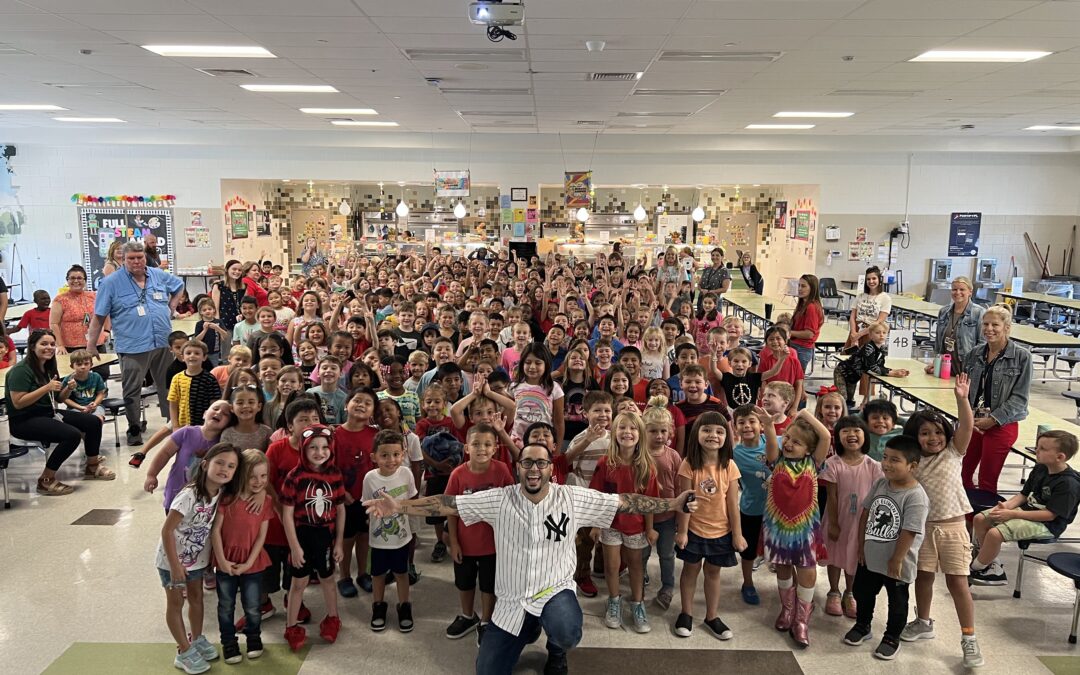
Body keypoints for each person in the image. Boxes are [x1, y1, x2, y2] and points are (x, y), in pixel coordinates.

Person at [364, 442, 698, 675]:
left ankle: (555, 650)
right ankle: (528, 629)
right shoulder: (499, 499)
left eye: (541, 462)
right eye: (527, 462)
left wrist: (672, 504)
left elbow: (624, 501)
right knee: (488, 670)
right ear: (518, 467)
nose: (534, 468)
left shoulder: (572, 497)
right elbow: (447, 504)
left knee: (567, 631)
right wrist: (400, 506)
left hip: (555, 591)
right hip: (510, 601)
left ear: (551, 468)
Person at [899, 375, 984, 668]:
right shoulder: (912, 461)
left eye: (937, 432)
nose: (933, 438)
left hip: (953, 528)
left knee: (958, 583)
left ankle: (969, 638)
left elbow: (967, 426)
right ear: (914, 437)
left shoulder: (953, 451)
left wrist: (962, 398)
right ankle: (923, 622)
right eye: (925, 433)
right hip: (921, 529)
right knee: (923, 577)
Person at [87, 240, 185, 446]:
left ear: (144, 257)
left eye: (139, 257)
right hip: (133, 345)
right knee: (132, 389)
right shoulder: (111, 283)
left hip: (162, 341)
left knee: (168, 385)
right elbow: (98, 316)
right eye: (130, 258)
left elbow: (178, 285)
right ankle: (133, 428)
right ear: (123, 259)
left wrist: (172, 305)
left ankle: (172, 423)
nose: (136, 262)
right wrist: (91, 344)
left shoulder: (158, 275)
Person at [156, 442, 241, 675]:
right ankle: (183, 651)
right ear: (205, 465)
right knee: (175, 604)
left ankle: (197, 639)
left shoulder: (220, 493)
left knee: (197, 599)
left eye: (231, 466)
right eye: (220, 463)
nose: (225, 469)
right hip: (172, 561)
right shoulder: (189, 495)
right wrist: (174, 565)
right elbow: (167, 530)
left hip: (197, 560)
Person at [843, 436, 929, 661]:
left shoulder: (916, 496)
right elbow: (866, 512)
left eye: (895, 460)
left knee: (897, 602)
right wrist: (861, 545)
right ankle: (863, 626)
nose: (887, 464)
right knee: (863, 592)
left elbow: (909, 531)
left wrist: (897, 559)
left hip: (897, 561)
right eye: (885, 458)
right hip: (871, 556)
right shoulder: (881, 483)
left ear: (912, 466)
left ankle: (892, 637)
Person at [5, 329, 112, 494]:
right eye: (44, 344)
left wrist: (68, 389)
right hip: (24, 420)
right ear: (32, 346)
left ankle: (92, 466)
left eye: (52, 344)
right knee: (72, 435)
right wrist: (45, 388)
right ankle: (46, 480)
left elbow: (60, 399)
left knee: (92, 422)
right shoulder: (21, 370)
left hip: (48, 413)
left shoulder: (48, 368)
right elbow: (18, 403)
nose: (49, 347)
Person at [970, 430, 1080, 586]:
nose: (1037, 451)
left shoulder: (1069, 484)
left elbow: (1050, 515)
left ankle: (976, 568)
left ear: (1060, 457)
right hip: (1025, 511)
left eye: (1043, 448)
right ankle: (991, 564)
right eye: (1037, 446)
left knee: (995, 534)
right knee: (980, 519)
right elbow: (1023, 495)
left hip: (1047, 525)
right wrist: (1005, 507)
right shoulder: (1040, 468)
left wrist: (1012, 514)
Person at [763, 410, 832, 648]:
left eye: (797, 442)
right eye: (788, 438)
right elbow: (772, 440)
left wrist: (803, 413)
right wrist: (770, 426)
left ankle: (802, 618)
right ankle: (788, 608)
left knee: (806, 568)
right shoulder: (777, 460)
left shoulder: (814, 463)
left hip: (805, 529)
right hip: (777, 526)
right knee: (782, 567)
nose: (789, 444)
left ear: (809, 450)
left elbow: (825, 436)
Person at [674, 411, 744, 640]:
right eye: (706, 430)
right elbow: (686, 500)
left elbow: (733, 503)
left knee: (713, 573)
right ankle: (686, 613)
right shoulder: (689, 464)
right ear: (696, 434)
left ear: (727, 437)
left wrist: (737, 534)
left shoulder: (730, 466)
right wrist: (682, 531)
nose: (713, 435)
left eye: (719, 431)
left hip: (721, 531)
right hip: (694, 530)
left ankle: (712, 616)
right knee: (690, 571)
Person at [445, 423, 515, 642]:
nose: (481, 449)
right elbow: (450, 509)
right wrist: (454, 542)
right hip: (465, 544)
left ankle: (486, 620)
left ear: (495, 448)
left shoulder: (502, 470)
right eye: (476, 444)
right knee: (464, 583)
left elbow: (513, 502)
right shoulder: (457, 474)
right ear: (466, 448)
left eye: (487, 444)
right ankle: (468, 616)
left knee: (489, 584)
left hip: (493, 544)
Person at [280, 424, 346, 651]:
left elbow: (340, 509)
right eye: (313, 448)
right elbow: (287, 513)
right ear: (303, 449)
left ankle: (333, 617)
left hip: (325, 535)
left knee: (328, 578)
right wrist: (294, 547)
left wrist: (338, 541)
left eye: (325, 447)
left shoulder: (335, 474)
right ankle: (291, 626)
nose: (320, 452)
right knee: (298, 583)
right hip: (302, 535)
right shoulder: (294, 477)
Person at [960, 305, 1032, 493]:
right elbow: (966, 390)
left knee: (987, 480)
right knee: (962, 472)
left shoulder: (1022, 357)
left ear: (1006, 327)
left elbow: (1020, 398)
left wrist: (993, 420)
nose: (988, 329)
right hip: (975, 421)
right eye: (985, 324)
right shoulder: (974, 354)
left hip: (1002, 424)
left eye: (995, 325)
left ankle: (983, 520)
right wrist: (968, 418)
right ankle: (967, 517)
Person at [211, 448, 272, 665]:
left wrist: (247, 563)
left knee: (253, 606)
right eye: (252, 476)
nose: (258, 481)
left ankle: (254, 638)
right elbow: (215, 531)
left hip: (253, 563)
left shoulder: (265, 502)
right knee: (226, 606)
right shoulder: (225, 499)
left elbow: (261, 537)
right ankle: (229, 642)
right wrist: (222, 560)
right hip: (225, 560)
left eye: (263, 476)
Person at [821, 415, 881, 619]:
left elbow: (875, 498)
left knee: (854, 557)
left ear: (865, 436)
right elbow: (832, 495)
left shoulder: (873, 466)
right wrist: (834, 524)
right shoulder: (832, 463)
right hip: (837, 518)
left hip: (861, 522)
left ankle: (850, 592)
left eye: (857, 430)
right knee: (835, 555)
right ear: (837, 437)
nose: (851, 434)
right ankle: (834, 591)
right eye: (845, 431)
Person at [364, 429, 419, 633]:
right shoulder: (370, 478)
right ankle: (378, 606)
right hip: (378, 540)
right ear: (374, 457)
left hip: (402, 538)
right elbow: (367, 504)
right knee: (377, 575)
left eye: (396, 454)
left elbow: (412, 502)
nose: (391, 460)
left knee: (401, 573)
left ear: (403, 454)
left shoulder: (406, 473)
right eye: (384, 455)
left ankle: (404, 605)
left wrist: (413, 529)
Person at [730, 405, 777, 607]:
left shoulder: (774, 442)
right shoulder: (735, 454)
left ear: (760, 425)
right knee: (748, 552)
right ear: (735, 427)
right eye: (741, 422)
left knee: (779, 550)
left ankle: (786, 586)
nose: (747, 426)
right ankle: (747, 583)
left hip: (777, 511)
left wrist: (770, 426)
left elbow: (773, 457)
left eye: (752, 421)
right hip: (750, 509)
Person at [926, 276, 985, 375]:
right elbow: (938, 341)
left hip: (967, 366)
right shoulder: (943, 311)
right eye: (954, 289)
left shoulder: (979, 312)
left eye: (962, 289)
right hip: (946, 364)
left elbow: (982, 343)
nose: (957, 293)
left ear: (970, 292)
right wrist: (936, 363)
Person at [50, 265, 110, 363]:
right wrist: (60, 345)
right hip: (71, 346)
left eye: (79, 278)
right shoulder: (60, 300)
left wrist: (107, 330)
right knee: (75, 374)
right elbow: (54, 324)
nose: (76, 281)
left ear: (85, 280)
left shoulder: (94, 296)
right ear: (67, 280)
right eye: (72, 278)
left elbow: (106, 313)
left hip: (95, 342)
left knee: (103, 372)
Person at [847, 265, 891, 349]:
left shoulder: (885, 298)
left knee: (867, 359)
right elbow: (852, 316)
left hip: (871, 332)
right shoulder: (860, 296)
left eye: (874, 278)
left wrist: (859, 335)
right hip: (856, 330)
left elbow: (879, 321)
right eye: (868, 279)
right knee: (851, 359)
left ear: (879, 280)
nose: (871, 281)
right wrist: (853, 333)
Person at [789, 274, 824, 375]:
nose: (800, 289)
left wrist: (788, 332)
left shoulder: (811, 307)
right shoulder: (803, 304)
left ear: (812, 288)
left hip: (801, 348)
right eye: (799, 285)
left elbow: (809, 334)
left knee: (797, 382)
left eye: (803, 286)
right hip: (796, 346)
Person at [60, 349, 107, 418]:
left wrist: (95, 403)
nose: (83, 367)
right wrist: (80, 407)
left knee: (98, 419)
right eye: (79, 364)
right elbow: (65, 399)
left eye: (86, 364)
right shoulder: (68, 379)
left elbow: (101, 393)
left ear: (91, 365)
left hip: (94, 406)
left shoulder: (96, 376)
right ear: (72, 366)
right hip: (74, 408)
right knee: (80, 420)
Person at [211, 260, 247, 347]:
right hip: (225, 323)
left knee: (241, 349)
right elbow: (215, 308)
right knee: (226, 352)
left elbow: (245, 305)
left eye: (239, 270)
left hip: (240, 322)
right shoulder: (219, 285)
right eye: (234, 269)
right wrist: (218, 325)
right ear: (227, 270)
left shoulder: (244, 287)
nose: (237, 272)